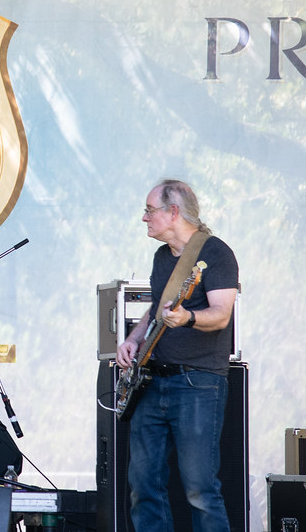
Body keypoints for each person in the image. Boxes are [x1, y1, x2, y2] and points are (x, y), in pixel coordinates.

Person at [116, 179, 238, 532]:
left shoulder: (215, 253)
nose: (144, 218)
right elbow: (157, 307)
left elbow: (222, 313)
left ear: (173, 211)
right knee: (143, 485)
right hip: (152, 380)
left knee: (200, 488)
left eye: (149, 210)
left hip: (198, 382)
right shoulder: (161, 256)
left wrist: (189, 318)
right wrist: (134, 340)